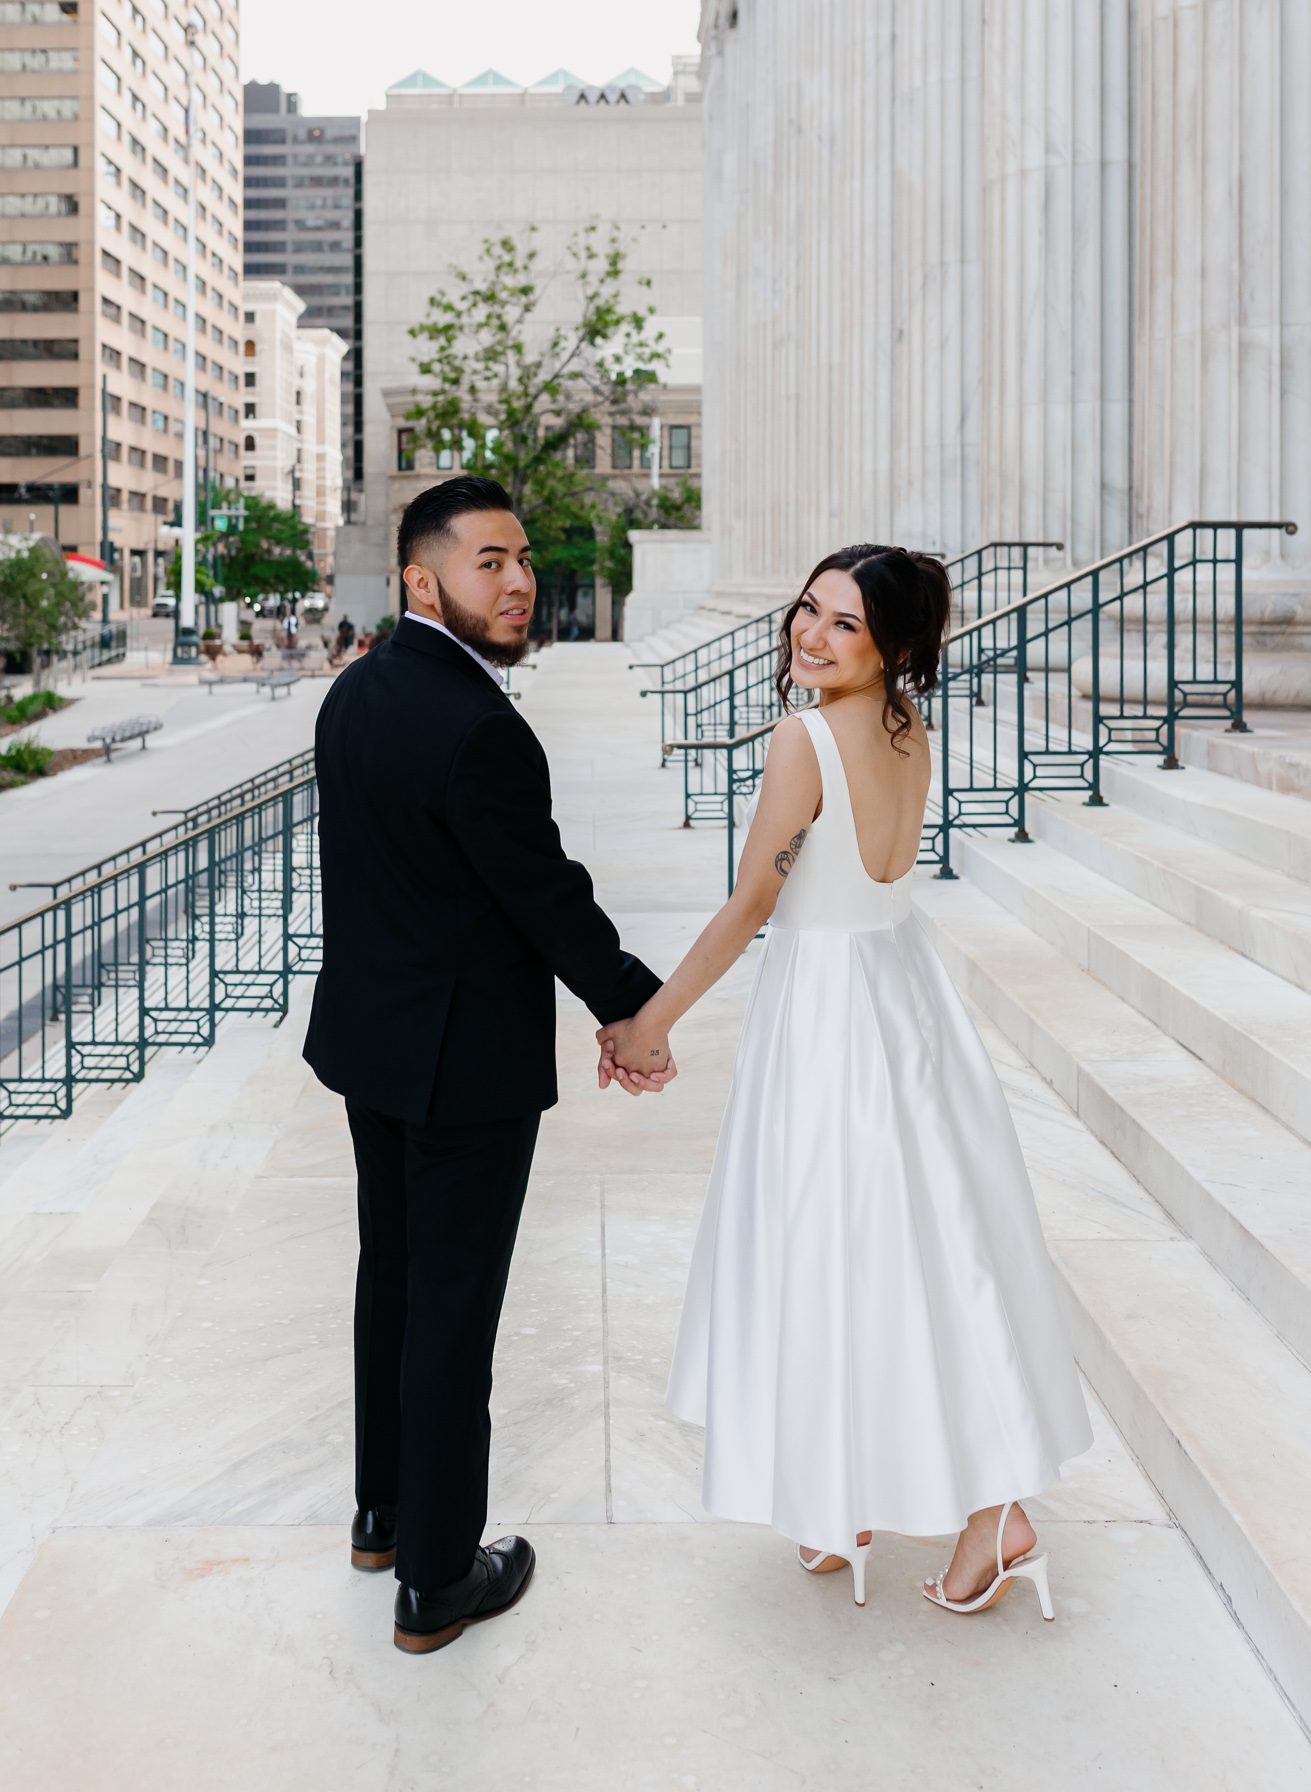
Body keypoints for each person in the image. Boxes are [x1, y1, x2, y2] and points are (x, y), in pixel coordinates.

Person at [598, 544, 1093, 1618]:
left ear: (893, 645)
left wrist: (649, 1022)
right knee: (909, 1244)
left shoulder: (804, 735)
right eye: (806, 612)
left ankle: (971, 1510)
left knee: (827, 1240)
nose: (809, 637)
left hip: (829, 1011)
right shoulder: (906, 729)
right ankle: (857, 1496)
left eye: (843, 627)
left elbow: (750, 906)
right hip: (900, 992)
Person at [304, 476, 670, 1656]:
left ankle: (382, 1513)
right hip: (463, 1064)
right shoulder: (479, 724)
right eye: (489, 563)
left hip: (376, 1045)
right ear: (423, 579)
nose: (517, 583)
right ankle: (436, 1575)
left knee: (394, 1287)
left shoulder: (357, 691)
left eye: (521, 559)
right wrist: (634, 1007)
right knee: (452, 1312)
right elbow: (544, 896)